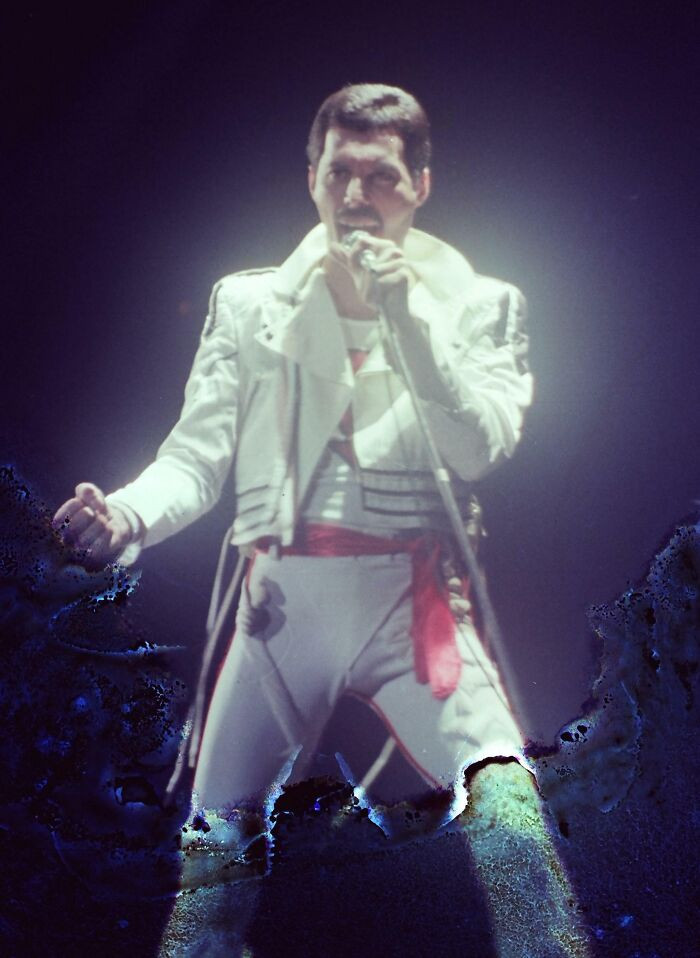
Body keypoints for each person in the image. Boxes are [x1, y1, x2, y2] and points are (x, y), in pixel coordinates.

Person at [53, 83, 534, 821]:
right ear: (313, 179)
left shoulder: (482, 307)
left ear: (420, 186)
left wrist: (411, 327)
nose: (356, 196)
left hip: (413, 606)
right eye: (340, 172)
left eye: (380, 176)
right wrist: (125, 515)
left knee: (508, 807)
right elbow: (196, 459)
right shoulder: (247, 306)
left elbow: (479, 451)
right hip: (282, 608)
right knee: (217, 841)